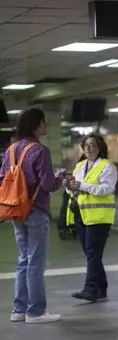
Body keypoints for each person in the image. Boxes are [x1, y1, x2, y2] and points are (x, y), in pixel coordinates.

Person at [4, 108, 64, 324]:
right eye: (44, 122)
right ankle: (36, 311)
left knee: (23, 260)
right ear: (36, 125)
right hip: (36, 211)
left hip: (15, 211)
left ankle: (19, 309)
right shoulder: (40, 151)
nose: (46, 126)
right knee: (36, 262)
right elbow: (48, 184)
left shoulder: (10, 151)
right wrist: (60, 178)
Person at [65, 133, 117, 303]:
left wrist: (82, 186)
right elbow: (74, 189)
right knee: (91, 253)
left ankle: (91, 288)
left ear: (100, 148)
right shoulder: (80, 166)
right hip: (82, 214)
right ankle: (101, 288)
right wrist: (70, 187)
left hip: (99, 216)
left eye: (93, 145)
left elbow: (106, 189)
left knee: (93, 253)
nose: (88, 148)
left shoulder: (107, 166)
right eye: (86, 145)